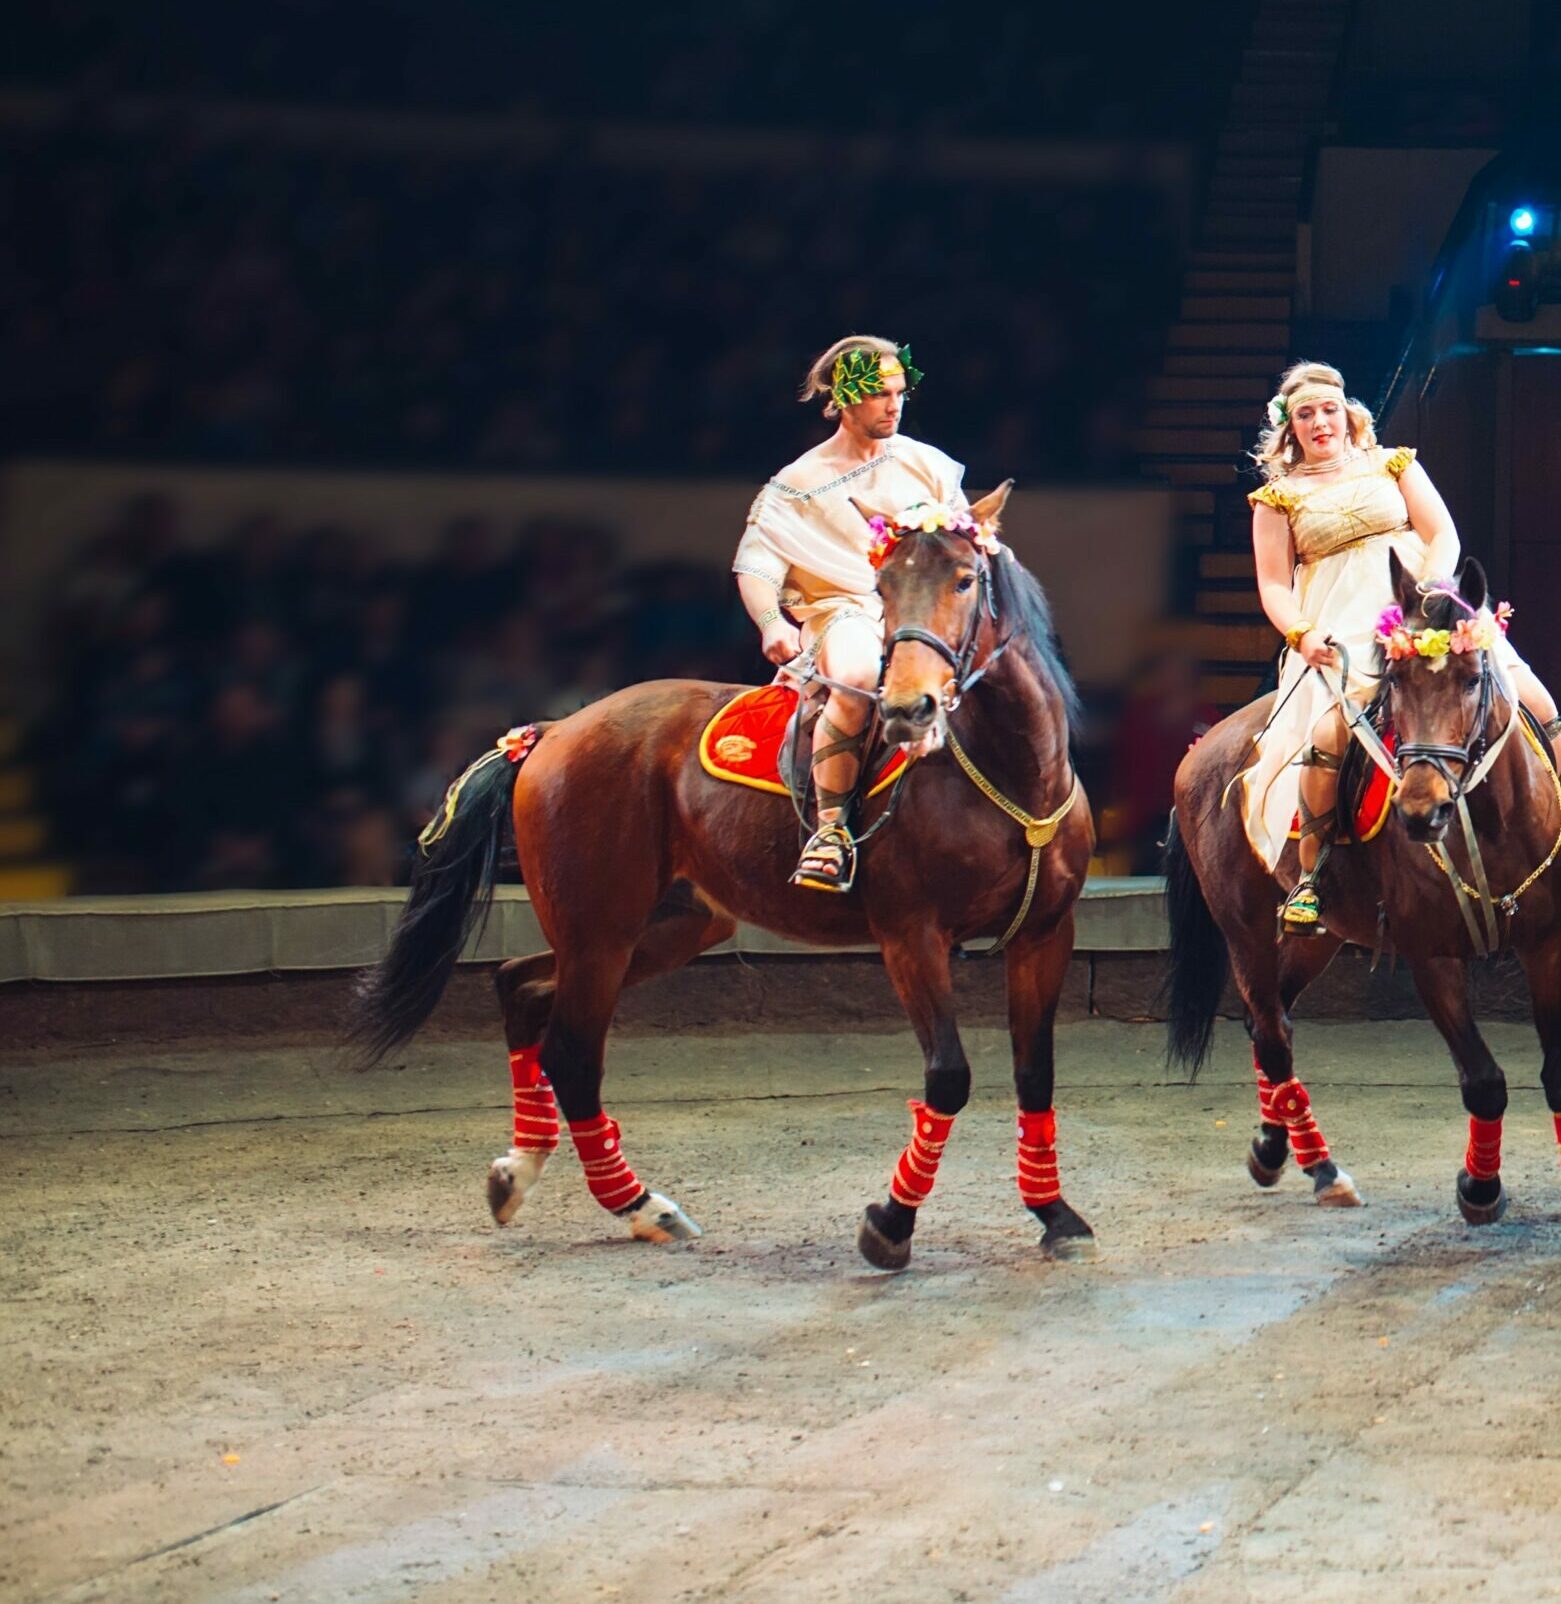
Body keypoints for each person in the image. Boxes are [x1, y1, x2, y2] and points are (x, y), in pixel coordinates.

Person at [1240, 360, 1560, 936]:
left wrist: (1429, 594)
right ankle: (1311, 878)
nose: (1320, 423)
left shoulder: (1392, 464)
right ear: (1291, 428)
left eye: (1328, 410)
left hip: (1422, 602)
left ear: (1347, 414)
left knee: (1535, 700)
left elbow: (1442, 534)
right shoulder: (1277, 498)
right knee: (1328, 735)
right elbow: (1271, 584)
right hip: (1342, 626)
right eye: (1306, 415)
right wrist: (1303, 634)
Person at [732, 335, 967, 891]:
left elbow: (962, 545)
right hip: (843, 609)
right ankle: (830, 832)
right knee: (859, 674)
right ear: (843, 397)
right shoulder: (799, 483)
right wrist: (772, 624)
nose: (895, 406)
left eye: (901, 393)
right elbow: (757, 566)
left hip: (922, 610)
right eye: (881, 394)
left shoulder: (926, 464)